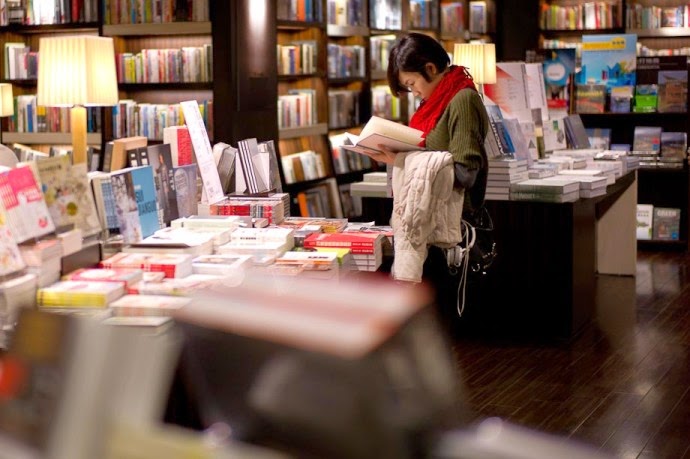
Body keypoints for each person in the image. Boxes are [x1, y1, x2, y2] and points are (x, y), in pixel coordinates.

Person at [360, 32, 490, 329]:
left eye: (412, 84)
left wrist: (402, 159)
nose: (414, 92)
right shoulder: (436, 101)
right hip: (429, 219)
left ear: (430, 69)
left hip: (449, 227)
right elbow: (430, 150)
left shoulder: (462, 100)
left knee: (438, 327)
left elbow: (466, 173)